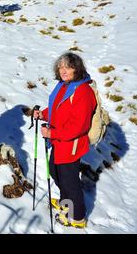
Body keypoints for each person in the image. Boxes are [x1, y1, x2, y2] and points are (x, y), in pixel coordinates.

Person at [34, 52, 97, 228]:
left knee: (70, 181)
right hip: (60, 143)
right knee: (56, 172)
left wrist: (51, 134)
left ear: (77, 69)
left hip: (71, 145)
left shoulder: (83, 92)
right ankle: (65, 202)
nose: (63, 70)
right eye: (61, 67)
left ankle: (77, 217)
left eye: (68, 67)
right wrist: (43, 114)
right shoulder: (64, 86)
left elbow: (79, 127)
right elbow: (57, 109)